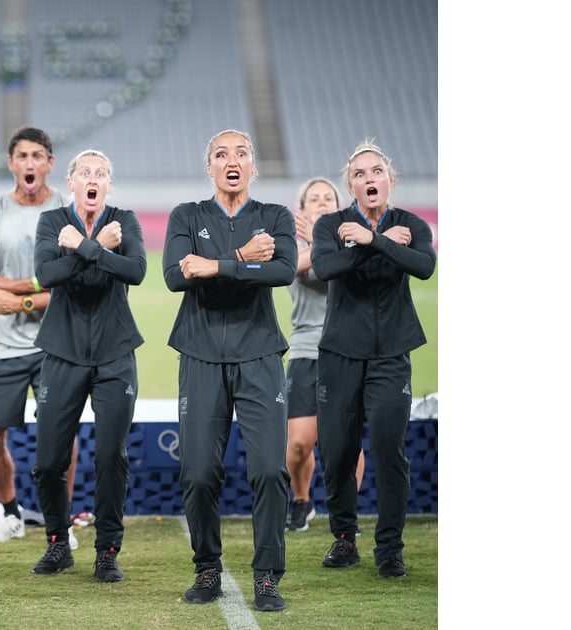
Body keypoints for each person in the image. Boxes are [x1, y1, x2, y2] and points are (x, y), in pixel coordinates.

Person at [162, 129, 296, 612]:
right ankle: (207, 569)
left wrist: (212, 267)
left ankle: (266, 577)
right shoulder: (188, 215)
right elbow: (176, 275)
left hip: (259, 355)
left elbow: (282, 270)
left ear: (252, 167)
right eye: (222, 154)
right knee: (198, 473)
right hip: (199, 355)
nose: (232, 160)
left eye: (241, 153)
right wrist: (240, 259)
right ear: (210, 167)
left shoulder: (275, 216)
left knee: (268, 470)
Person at [311, 139, 435, 579]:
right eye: (360, 174)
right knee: (338, 452)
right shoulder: (330, 224)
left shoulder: (412, 223)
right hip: (340, 354)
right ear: (351, 184)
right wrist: (377, 243)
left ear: (389, 179)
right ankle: (344, 539)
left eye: (376, 171)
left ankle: (389, 548)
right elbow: (324, 269)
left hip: (390, 356)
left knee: (388, 450)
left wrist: (371, 240)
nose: (369, 179)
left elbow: (423, 266)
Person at [29, 149, 145, 584]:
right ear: (71, 182)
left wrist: (80, 248)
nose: (92, 179)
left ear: (108, 185)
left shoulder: (125, 219)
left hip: (116, 352)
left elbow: (135, 271)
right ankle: (58, 543)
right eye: (84, 172)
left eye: (101, 173)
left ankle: (107, 550)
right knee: (47, 462)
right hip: (61, 352)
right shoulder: (51, 221)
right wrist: (94, 249)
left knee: (111, 455)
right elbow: (47, 275)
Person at [0, 126, 78, 550]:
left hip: (57, 342)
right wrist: (30, 289)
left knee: (59, 437)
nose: (30, 163)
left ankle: (62, 523)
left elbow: (76, 281)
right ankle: (12, 513)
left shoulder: (68, 208)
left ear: (50, 163)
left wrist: (23, 300)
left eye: (38, 156)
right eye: (22, 156)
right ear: (11, 163)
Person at [284, 177, 365, 532]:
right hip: (305, 348)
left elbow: (344, 273)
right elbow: (295, 270)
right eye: (313, 199)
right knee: (300, 442)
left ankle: (346, 512)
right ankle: (301, 500)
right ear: (302, 210)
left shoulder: (354, 242)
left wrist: (325, 239)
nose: (321, 203)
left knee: (347, 441)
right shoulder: (293, 245)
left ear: (339, 207)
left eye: (327, 198)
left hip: (346, 348)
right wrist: (317, 239)